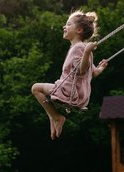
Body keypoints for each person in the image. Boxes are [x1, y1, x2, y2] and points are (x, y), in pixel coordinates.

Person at [31, 10, 108, 140]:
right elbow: (93, 73)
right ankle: (53, 117)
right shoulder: (82, 48)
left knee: (35, 88)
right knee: (41, 93)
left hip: (69, 91)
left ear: (78, 30)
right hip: (80, 95)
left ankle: (56, 117)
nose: (64, 27)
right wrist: (101, 67)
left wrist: (87, 52)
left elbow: (82, 71)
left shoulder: (80, 48)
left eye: (68, 24)